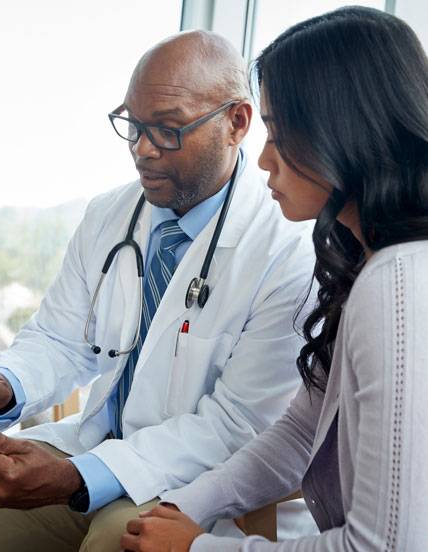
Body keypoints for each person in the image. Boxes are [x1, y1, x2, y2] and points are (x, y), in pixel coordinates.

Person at [0, 31, 317, 551]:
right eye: (132, 124)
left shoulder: (287, 247)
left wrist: (81, 478)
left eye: (168, 129)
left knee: (121, 537)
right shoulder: (110, 214)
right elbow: (59, 337)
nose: (142, 149)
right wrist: (3, 385)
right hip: (94, 451)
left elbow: (237, 426)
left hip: (199, 487)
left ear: (237, 123)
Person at [120, 6, 428, 551]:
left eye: (279, 135)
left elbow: (384, 547)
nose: (262, 160)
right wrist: (187, 506)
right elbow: (298, 435)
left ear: (346, 133)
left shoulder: (397, 284)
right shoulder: (370, 268)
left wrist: (197, 548)